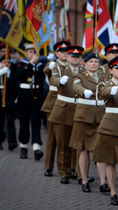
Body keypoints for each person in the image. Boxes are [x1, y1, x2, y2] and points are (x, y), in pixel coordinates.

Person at [93, 56, 118, 205]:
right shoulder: (104, 84)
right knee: (110, 162)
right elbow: (101, 93)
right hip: (110, 128)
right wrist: (111, 90)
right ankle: (113, 192)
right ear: (111, 70)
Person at [69, 51, 105, 192]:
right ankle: (84, 180)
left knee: (100, 150)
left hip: (100, 117)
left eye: (96, 62)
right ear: (85, 63)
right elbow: (76, 86)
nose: (94, 64)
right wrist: (84, 91)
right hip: (84, 118)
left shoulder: (103, 76)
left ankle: (103, 182)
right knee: (83, 150)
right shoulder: (79, 76)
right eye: (91, 61)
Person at [49, 42, 84, 184]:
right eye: (72, 56)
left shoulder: (83, 70)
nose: (75, 58)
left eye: (77, 56)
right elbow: (53, 78)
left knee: (77, 144)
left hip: (79, 110)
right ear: (68, 57)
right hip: (63, 109)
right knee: (63, 143)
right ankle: (64, 172)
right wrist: (59, 81)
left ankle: (76, 170)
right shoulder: (60, 68)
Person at [42, 41, 71, 177]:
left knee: (66, 137)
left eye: (66, 52)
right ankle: (48, 166)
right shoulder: (54, 65)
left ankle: (69, 167)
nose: (65, 54)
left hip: (67, 104)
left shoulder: (72, 65)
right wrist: (50, 66)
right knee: (52, 136)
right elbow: (47, 71)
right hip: (53, 102)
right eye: (62, 52)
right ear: (57, 53)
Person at [16, 43, 45, 160]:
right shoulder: (21, 64)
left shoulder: (40, 66)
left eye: (34, 52)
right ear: (26, 53)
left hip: (36, 96)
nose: (32, 54)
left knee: (36, 121)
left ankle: (36, 147)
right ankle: (23, 146)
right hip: (24, 96)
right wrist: (31, 63)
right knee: (24, 122)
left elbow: (41, 79)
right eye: (30, 52)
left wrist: (35, 65)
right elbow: (20, 75)